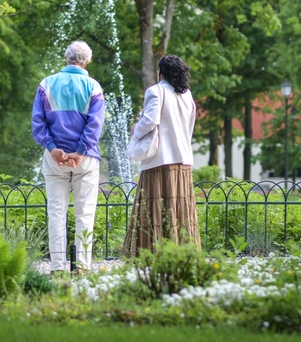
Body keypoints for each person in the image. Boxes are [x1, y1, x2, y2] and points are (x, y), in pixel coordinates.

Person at [31, 41, 105, 274]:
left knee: (56, 211)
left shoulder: (46, 84)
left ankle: (57, 267)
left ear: (66, 58)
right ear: (87, 61)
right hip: (85, 160)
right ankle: (82, 265)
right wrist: (81, 152)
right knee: (85, 212)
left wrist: (52, 148)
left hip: (54, 159)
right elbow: (95, 125)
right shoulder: (93, 87)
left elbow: (37, 122)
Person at [123, 55, 199, 256]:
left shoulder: (155, 91)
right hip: (183, 161)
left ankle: (152, 253)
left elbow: (149, 121)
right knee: (180, 210)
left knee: (154, 208)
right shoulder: (187, 95)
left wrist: (135, 130)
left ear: (160, 72)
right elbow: (189, 127)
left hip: (159, 162)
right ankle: (182, 252)